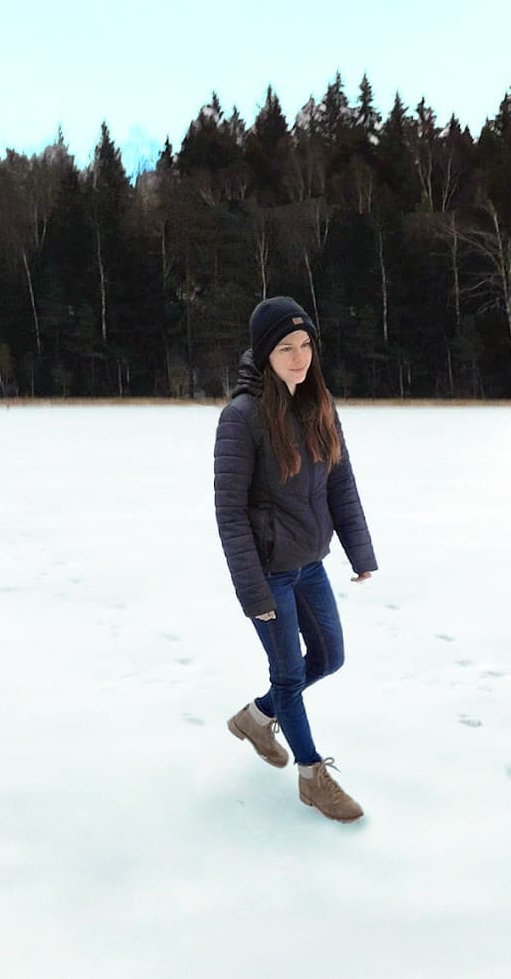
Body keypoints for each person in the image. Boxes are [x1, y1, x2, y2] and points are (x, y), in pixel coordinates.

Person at [214, 296, 378, 821]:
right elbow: (230, 513)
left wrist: (360, 551)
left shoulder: (319, 406)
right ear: (265, 354)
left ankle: (258, 717)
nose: (299, 356)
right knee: (288, 676)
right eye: (286, 348)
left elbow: (341, 485)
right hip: (269, 573)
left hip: (311, 563)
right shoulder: (241, 419)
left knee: (329, 656)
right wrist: (254, 593)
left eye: (305, 344)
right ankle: (312, 776)